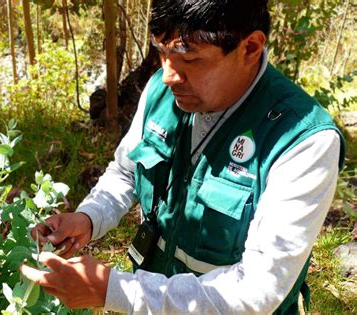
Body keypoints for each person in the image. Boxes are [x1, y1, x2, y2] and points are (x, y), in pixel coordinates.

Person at [20, 0, 345, 313]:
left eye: (189, 60)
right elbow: (125, 172)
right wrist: (89, 217)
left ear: (249, 48)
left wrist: (116, 292)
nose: (169, 76)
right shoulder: (161, 93)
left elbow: (259, 289)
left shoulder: (302, 139)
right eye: (162, 53)